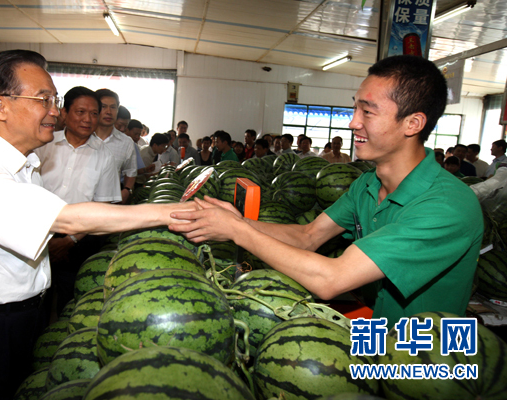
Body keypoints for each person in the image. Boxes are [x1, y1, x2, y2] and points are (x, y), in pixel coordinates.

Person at [0, 49, 195, 400]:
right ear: (1, 106)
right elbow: (67, 217)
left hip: (18, 319)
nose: (55, 110)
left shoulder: (24, 164)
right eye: (43, 99)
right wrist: (176, 213)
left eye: (55, 99)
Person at [170, 55, 483, 328]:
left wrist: (239, 232)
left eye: (368, 112)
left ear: (413, 123)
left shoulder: (446, 206)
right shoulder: (367, 184)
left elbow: (332, 278)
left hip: (424, 366)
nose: (352, 123)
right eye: (354, 109)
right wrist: (237, 221)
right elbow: (308, 236)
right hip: (375, 344)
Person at [34, 86, 121, 313]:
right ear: (64, 113)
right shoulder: (43, 144)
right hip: (35, 234)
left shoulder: (105, 155)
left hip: (80, 241)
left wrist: (70, 239)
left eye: (94, 114)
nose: (88, 119)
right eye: (80, 112)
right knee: (34, 302)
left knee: (69, 304)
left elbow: (102, 205)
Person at [95, 89, 137, 203]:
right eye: (103, 106)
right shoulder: (83, 137)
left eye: (113, 107)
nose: (109, 112)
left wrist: (127, 190)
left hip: (111, 205)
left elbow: (131, 171)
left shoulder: (126, 142)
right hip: (80, 203)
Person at [124, 119, 155, 185]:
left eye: (139, 135)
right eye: (135, 134)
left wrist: (146, 170)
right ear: (126, 130)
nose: (137, 137)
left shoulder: (135, 148)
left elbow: (134, 170)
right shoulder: (117, 145)